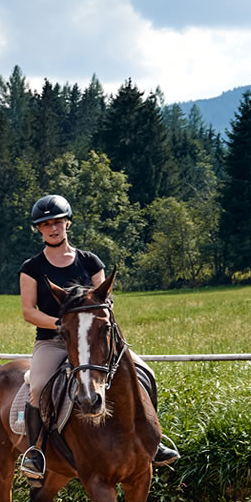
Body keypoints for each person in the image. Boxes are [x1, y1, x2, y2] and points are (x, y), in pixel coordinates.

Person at [18, 194, 179, 482]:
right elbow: (29, 311)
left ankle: (152, 441)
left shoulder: (90, 261)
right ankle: (35, 453)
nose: (52, 229)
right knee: (38, 385)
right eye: (45, 225)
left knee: (145, 373)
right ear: (39, 230)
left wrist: (88, 328)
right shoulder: (31, 268)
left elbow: (105, 301)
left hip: (95, 341)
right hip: (54, 340)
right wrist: (67, 325)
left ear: (67, 224)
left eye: (57, 223)